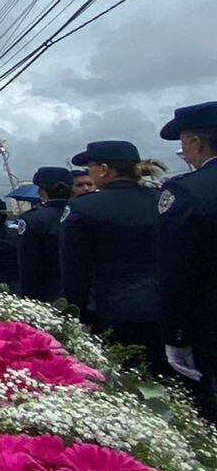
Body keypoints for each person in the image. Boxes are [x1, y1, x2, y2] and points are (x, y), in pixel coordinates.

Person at [60, 140, 164, 369]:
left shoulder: (84, 207)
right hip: (169, 307)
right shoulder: (162, 200)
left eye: (90, 167)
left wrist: (74, 313)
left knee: (127, 376)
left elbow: (76, 269)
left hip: (115, 310)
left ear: (104, 169)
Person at [157, 102, 217, 418]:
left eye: (183, 145)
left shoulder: (188, 191)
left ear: (196, 142)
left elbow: (177, 270)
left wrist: (177, 335)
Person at [15, 167, 72, 303]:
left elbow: (29, 265)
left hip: (50, 295)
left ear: (41, 191)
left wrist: (29, 299)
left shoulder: (33, 219)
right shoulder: (84, 212)